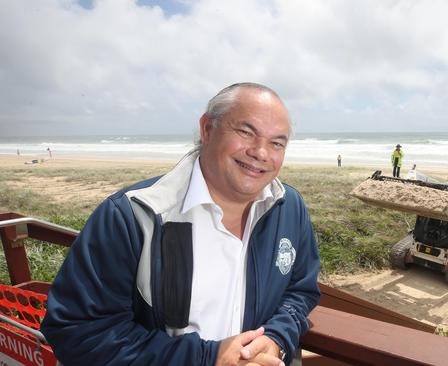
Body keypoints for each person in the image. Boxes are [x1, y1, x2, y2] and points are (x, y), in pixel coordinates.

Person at [41, 83, 321, 366]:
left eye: (276, 143)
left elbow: (300, 291)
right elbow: (78, 333)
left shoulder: (289, 208)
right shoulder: (134, 216)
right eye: (246, 132)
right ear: (207, 129)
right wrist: (208, 358)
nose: (261, 152)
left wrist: (276, 339)